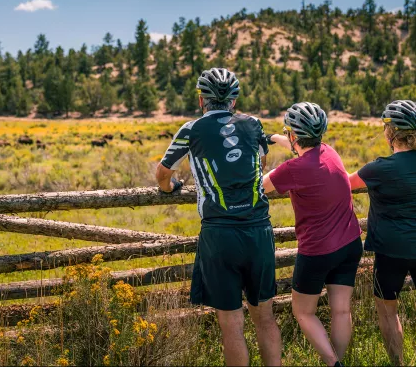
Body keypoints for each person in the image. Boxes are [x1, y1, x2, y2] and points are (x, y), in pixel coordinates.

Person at [156, 68, 281, 366]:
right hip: (258, 229)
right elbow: (262, 159)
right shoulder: (253, 124)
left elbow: (163, 173)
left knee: (231, 324)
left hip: (219, 232)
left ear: (202, 100)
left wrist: (171, 188)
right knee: (265, 318)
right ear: (234, 101)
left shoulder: (191, 129)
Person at [262, 102, 362, 367]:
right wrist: (273, 138)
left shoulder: (293, 169)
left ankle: (333, 364)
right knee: (341, 310)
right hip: (350, 243)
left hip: (318, 251)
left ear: (294, 135)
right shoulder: (330, 153)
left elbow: (261, 186)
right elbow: (300, 148)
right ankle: (339, 360)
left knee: (303, 312)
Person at [348, 99, 416, 365]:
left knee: (388, 311)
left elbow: (344, 182)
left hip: (390, 251)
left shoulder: (379, 168)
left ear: (390, 134)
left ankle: (397, 363)